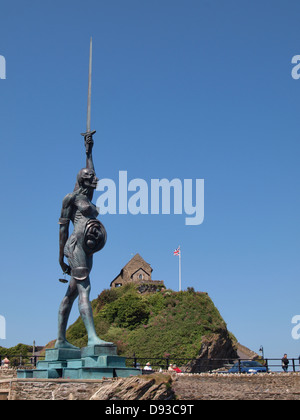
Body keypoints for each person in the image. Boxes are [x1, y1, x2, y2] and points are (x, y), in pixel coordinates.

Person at [55, 132, 109, 349]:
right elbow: (62, 229)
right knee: (84, 288)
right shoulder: (72, 198)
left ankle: (60, 340)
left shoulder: (87, 197)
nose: (95, 178)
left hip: (88, 248)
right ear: (82, 179)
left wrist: (89, 151)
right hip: (75, 245)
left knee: (71, 292)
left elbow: (92, 171)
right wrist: (61, 257)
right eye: (90, 176)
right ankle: (92, 338)